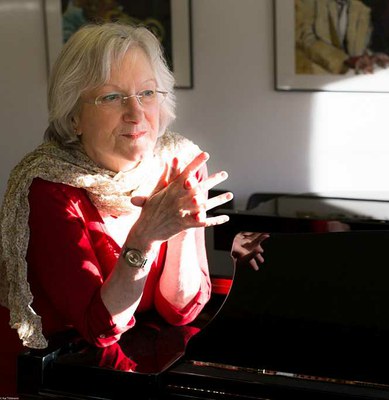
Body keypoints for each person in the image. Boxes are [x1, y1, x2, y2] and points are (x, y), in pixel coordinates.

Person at [0, 22, 233, 395]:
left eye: (147, 93)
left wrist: (178, 224)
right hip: (53, 375)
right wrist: (145, 236)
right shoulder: (48, 187)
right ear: (73, 116)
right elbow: (101, 329)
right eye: (111, 97)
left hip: (133, 364)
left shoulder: (180, 162)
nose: (136, 112)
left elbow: (181, 310)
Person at [295, 0, 389, 74]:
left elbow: (360, 49)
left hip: (350, 81)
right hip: (313, 78)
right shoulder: (310, 3)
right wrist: (345, 60)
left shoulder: (362, 9)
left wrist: (371, 58)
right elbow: (305, 39)